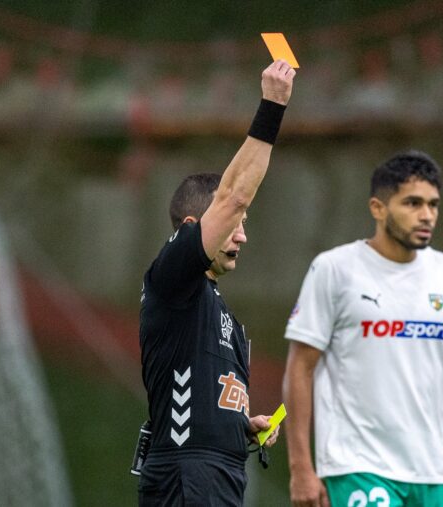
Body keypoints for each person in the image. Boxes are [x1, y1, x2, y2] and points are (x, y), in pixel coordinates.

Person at [283, 151, 443, 507]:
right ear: (378, 208)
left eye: (433, 204)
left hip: (430, 471)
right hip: (356, 464)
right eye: (413, 203)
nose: (427, 215)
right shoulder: (334, 269)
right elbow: (300, 368)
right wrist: (300, 467)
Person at [137, 60, 295, 506]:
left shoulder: (219, 311)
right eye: (233, 224)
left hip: (218, 473)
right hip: (188, 475)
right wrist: (272, 106)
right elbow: (234, 195)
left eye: (244, 224)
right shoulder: (172, 277)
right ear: (193, 227)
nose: (242, 235)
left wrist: (239, 425)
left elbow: (197, 394)